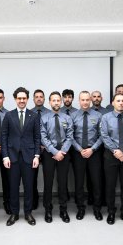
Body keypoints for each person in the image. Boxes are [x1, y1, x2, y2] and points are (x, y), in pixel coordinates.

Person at [2, 87, 41, 226]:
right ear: (15, 99)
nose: (22, 100)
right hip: (12, 158)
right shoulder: (8, 115)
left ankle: (28, 213)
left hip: (29, 157)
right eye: (19, 98)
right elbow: (4, 136)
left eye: (24, 98)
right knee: (13, 187)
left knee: (29, 186)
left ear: (27, 99)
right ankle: (14, 213)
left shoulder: (34, 115)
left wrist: (37, 155)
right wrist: (5, 156)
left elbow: (37, 137)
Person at [100, 93, 123, 225]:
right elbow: (104, 136)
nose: (121, 103)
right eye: (118, 101)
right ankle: (111, 212)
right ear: (113, 103)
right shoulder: (106, 118)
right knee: (110, 185)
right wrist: (116, 151)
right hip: (111, 155)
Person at [40, 91, 73, 223]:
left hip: (64, 154)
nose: (56, 102)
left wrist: (62, 151)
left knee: (62, 182)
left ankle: (63, 210)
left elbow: (70, 137)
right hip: (49, 154)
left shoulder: (67, 118)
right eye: (53, 100)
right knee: (48, 183)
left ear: (61, 101)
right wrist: (54, 151)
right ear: (49, 102)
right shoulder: (44, 118)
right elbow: (43, 136)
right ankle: (48, 210)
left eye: (58, 100)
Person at [71, 91, 103, 221]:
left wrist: (92, 149)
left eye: (87, 100)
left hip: (94, 153)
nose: (85, 102)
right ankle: (80, 208)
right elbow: (70, 136)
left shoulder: (99, 115)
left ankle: (97, 209)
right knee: (79, 183)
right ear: (79, 101)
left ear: (90, 100)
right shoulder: (72, 116)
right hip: (78, 153)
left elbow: (102, 135)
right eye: (82, 100)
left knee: (96, 182)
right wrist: (80, 149)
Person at [31, 89, 51, 210]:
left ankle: (47, 201)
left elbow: (52, 132)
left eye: (41, 97)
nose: (39, 99)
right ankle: (34, 199)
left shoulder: (50, 113)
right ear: (33, 99)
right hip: (33, 149)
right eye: (36, 97)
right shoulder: (29, 113)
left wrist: (45, 144)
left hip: (48, 149)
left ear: (44, 99)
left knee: (48, 176)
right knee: (32, 176)